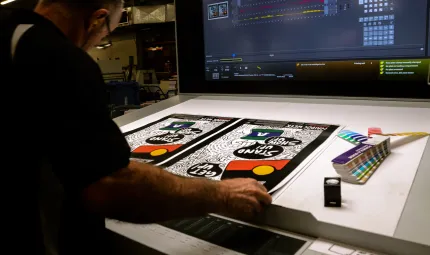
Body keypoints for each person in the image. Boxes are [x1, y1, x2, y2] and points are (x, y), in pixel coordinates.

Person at [0, 1, 272, 254]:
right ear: (97, 19)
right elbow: (109, 185)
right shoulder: (58, 56)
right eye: (108, 31)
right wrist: (221, 193)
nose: (101, 39)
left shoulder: (12, 30)